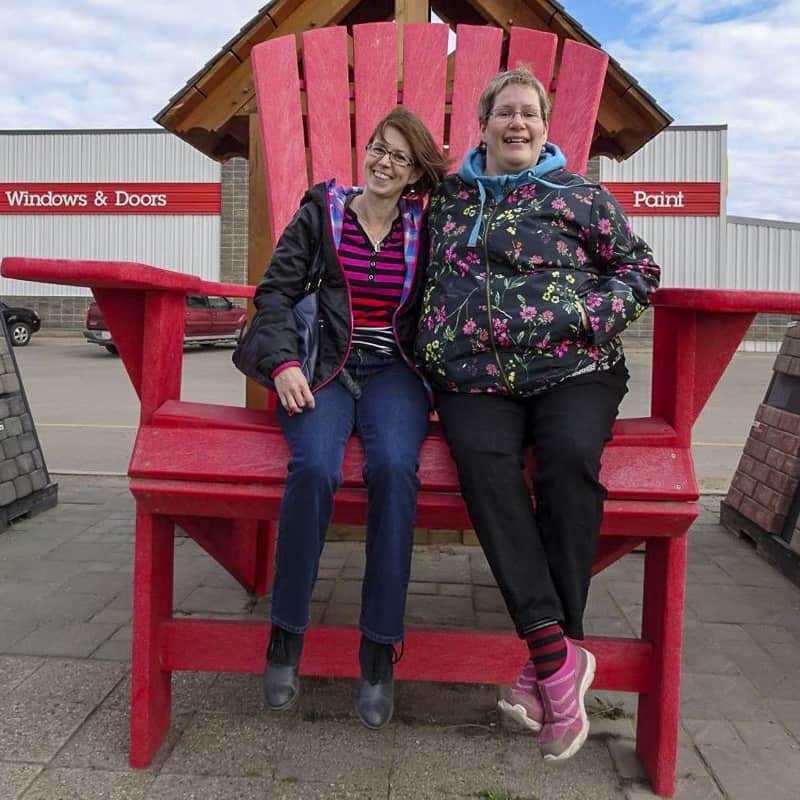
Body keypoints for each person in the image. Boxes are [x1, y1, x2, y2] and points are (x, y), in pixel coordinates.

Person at [415, 67, 660, 761]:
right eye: (505, 113)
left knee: (570, 460)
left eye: (529, 114)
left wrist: (585, 312)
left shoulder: (580, 197)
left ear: (545, 128)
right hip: (472, 374)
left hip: (574, 367)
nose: (517, 124)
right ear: (483, 124)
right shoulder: (447, 200)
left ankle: (546, 663)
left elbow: (639, 271)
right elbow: (384, 234)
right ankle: (559, 656)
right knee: (484, 462)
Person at [249, 107, 448, 730]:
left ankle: (378, 650)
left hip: (394, 373)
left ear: (416, 171)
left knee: (393, 469)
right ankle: (285, 635)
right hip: (324, 367)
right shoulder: (322, 214)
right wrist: (282, 363)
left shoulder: (428, 226)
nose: (384, 163)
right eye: (378, 149)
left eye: (400, 156)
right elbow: (275, 293)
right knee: (314, 468)